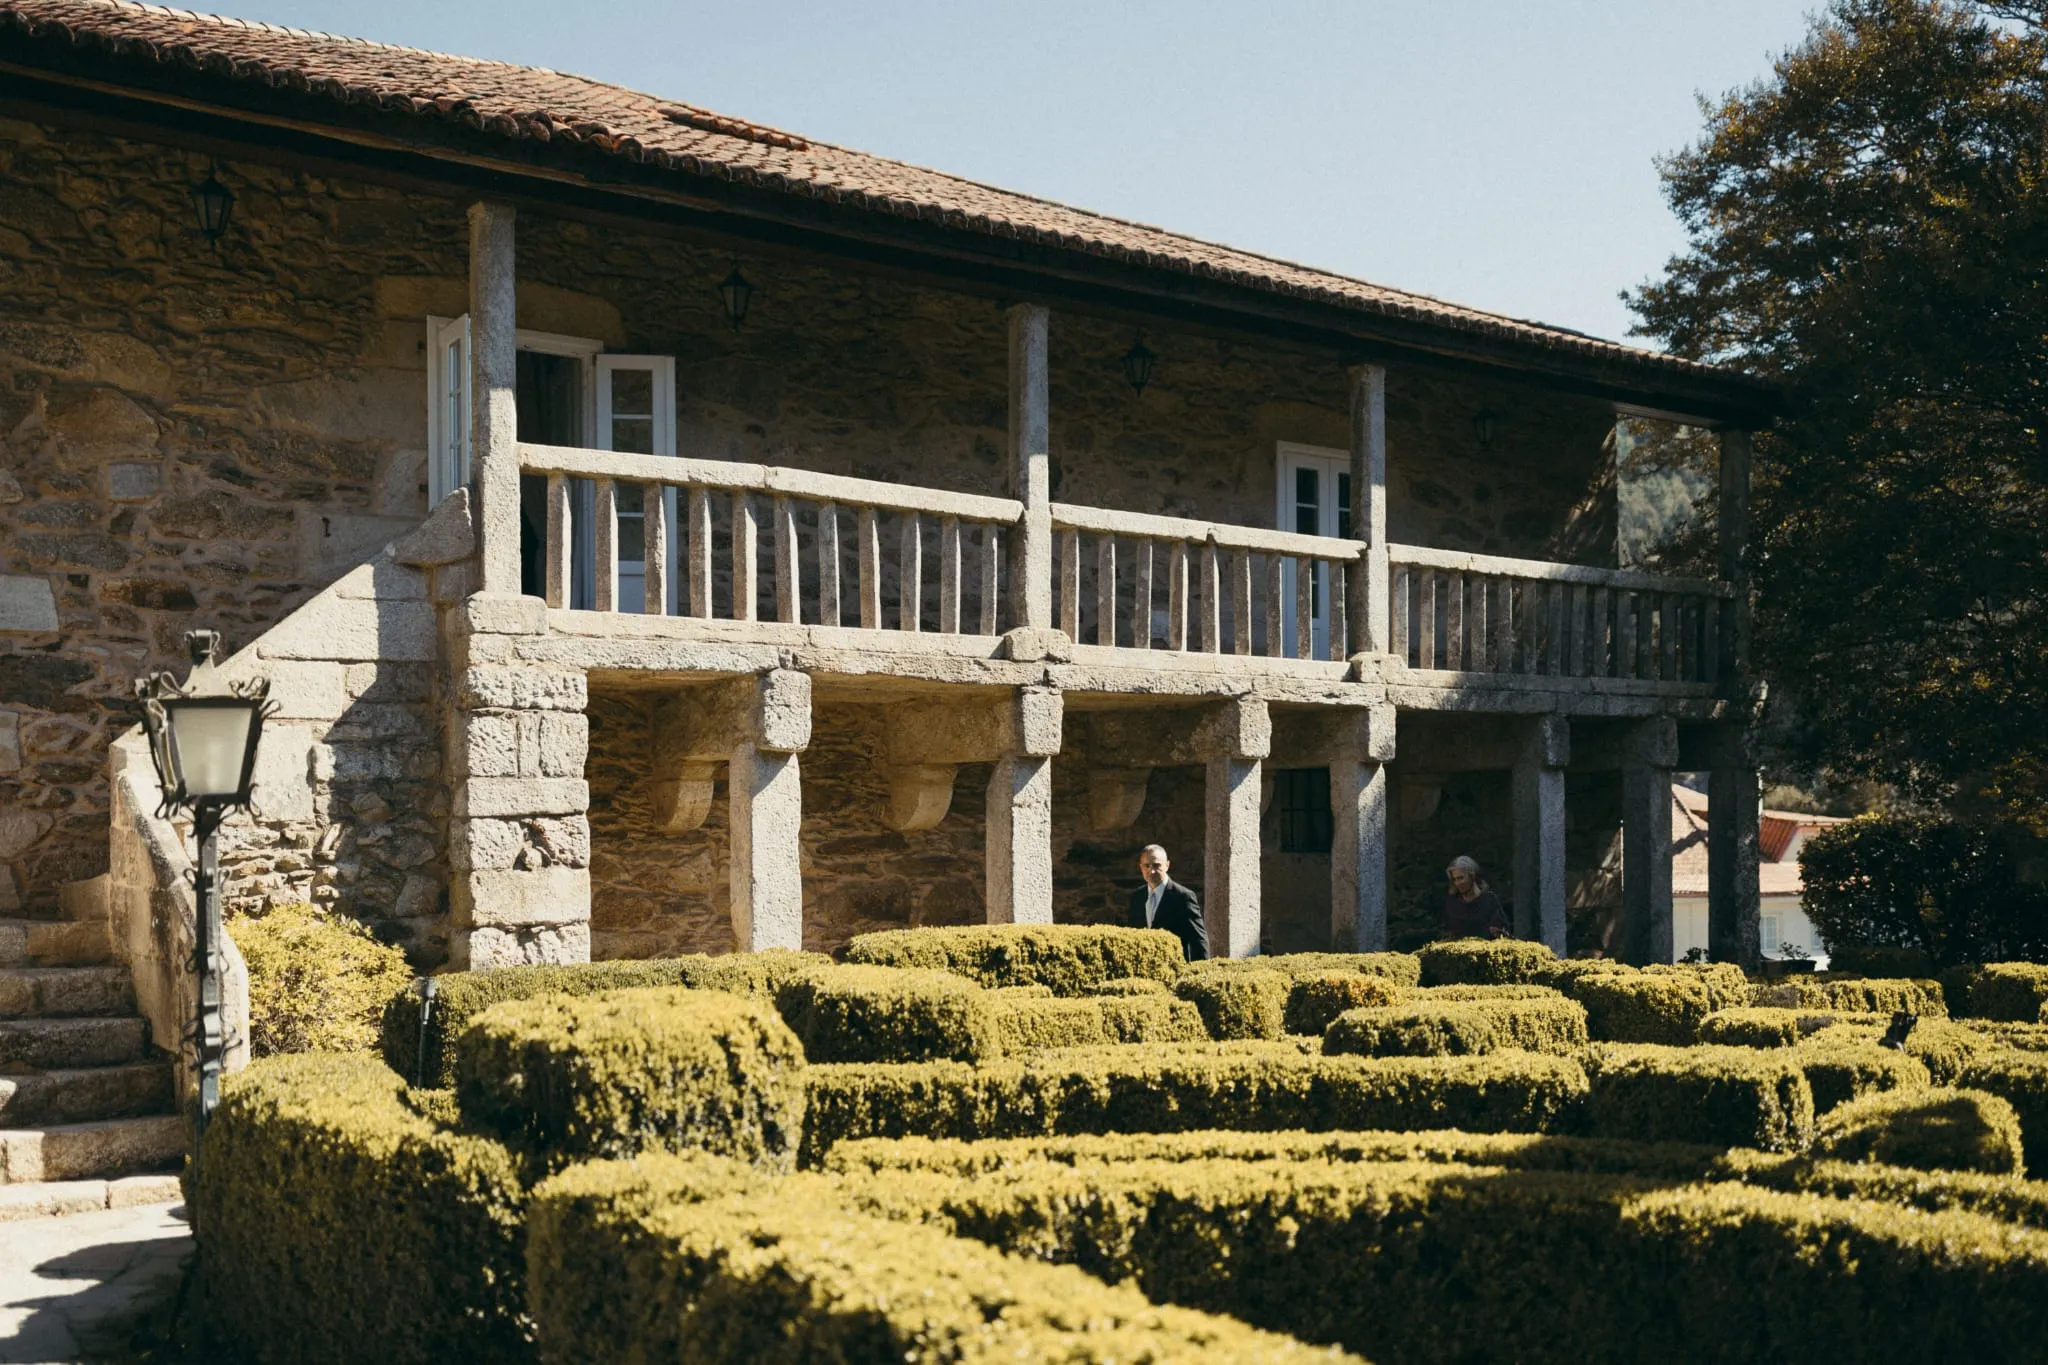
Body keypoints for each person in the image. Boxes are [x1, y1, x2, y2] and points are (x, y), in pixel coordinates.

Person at [1128, 844, 1207, 961]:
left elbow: (1198, 939)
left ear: (1167, 865)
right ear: (1141, 867)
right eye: (1147, 866)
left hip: (1175, 966)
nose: (1151, 871)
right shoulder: (1137, 896)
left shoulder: (1183, 897)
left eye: (1156, 865)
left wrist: (1200, 969)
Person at [1442, 855, 1508, 940]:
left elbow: (1503, 932)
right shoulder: (1453, 903)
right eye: (1454, 879)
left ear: (1472, 876)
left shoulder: (1489, 900)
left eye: (1461, 878)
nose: (1457, 883)